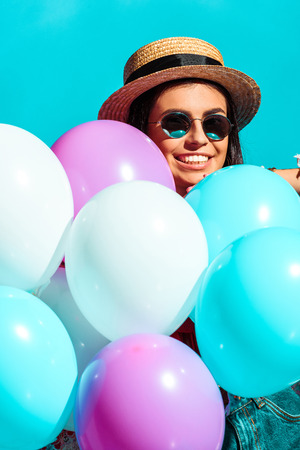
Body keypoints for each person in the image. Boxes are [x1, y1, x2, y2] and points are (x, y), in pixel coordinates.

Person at [45, 36, 300, 449]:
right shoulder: (95, 226)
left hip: (271, 422)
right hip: (137, 427)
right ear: (139, 135)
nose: (199, 138)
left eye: (215, 124)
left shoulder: (258, 213)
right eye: (176, 123)